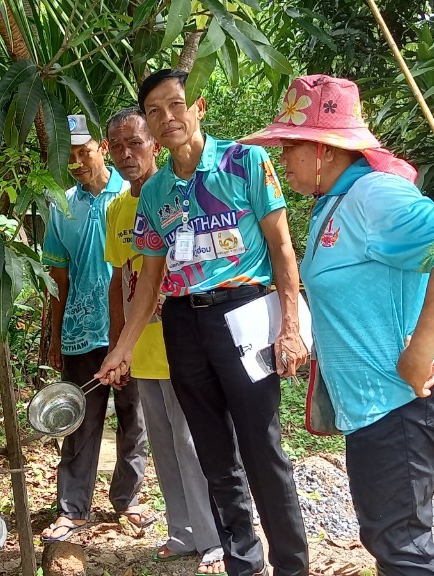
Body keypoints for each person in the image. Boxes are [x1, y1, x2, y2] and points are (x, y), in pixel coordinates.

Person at [241, 74, 434, 576]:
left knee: (400, 542)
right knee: (391, 536)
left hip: (402, 400)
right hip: (376, 405)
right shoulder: (335, 201)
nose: (282, 159)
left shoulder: (374, 195)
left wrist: (419, 353)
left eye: (290, 147)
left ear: (325, 150)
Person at [97, 69, 310, 576]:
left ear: (198, 107)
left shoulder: (244, 162)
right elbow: (149, 281)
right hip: (183, 326)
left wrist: (291, 325)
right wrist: (122, 347)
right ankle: (243, 561)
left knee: (262, 447)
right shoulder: (154, 194)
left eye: (176, 105)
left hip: (245, 314)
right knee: (214, 454)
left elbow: (282, 247)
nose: (167, 118)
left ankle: (291, 566)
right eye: (154, 111)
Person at [102, 107, 226, 574]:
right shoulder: (117, 209)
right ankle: (182, 532)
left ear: (154, 143)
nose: (126, 154)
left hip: (183, 342)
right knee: (164, 444)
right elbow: (120, 280)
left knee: (192, 441)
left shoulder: (176, 193)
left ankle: (215, 535)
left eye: (135, 143)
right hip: (142, 349)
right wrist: (119, 346)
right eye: (117, 146)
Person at [39, 114, 152, 543]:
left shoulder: (131, 193)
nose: (77, 162)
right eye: (69, 156)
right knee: (79, 420)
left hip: (130, 331)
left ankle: (128, 499)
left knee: (133, 418)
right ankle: (72, 508)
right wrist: (55, 335)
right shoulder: (61, 205)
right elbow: (58, 277)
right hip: (80, 332)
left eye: (84, 152)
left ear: (102, 149)